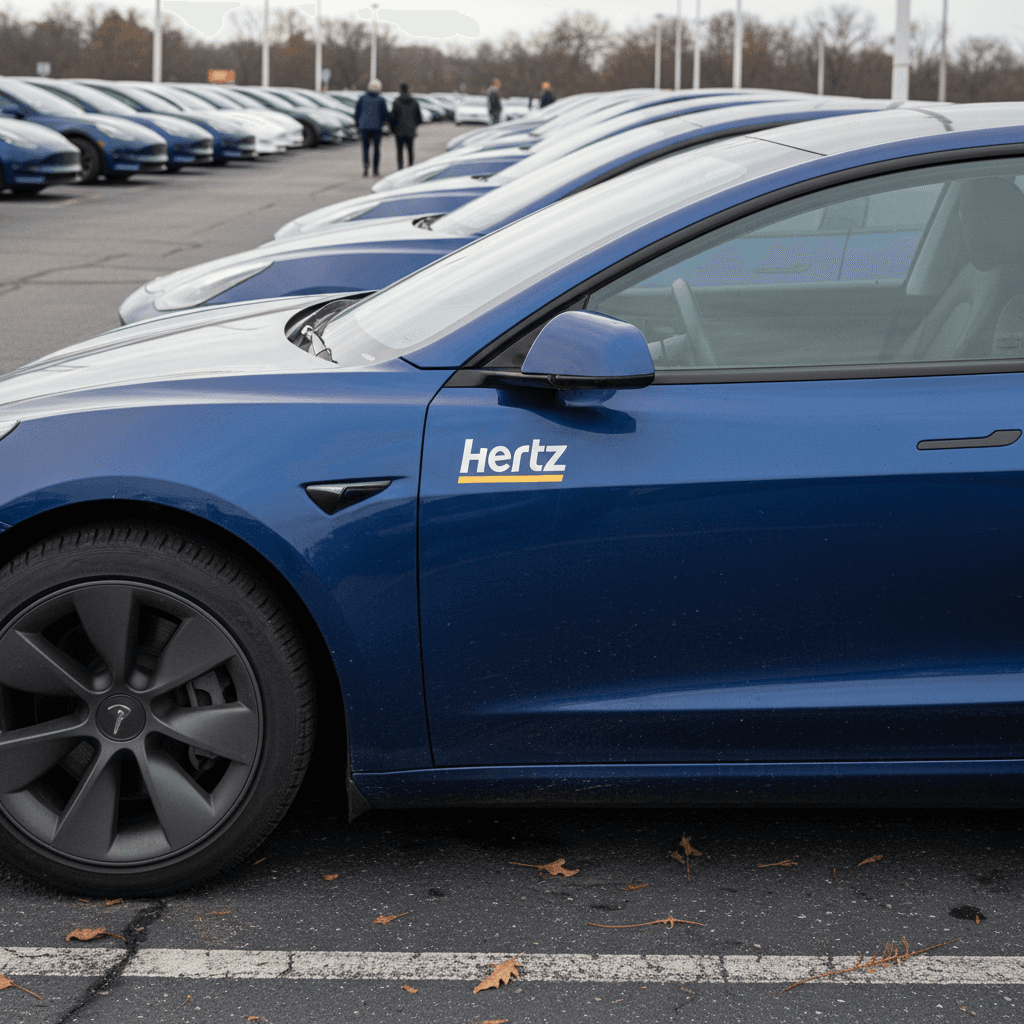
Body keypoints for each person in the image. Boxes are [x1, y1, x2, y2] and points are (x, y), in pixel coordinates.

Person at [354, 78, 388, 177]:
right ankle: (375, 169)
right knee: (376, 149)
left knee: (365, 148)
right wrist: (384, 123)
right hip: (377, 127)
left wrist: (357, 124)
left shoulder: (362, 99)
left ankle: (365, 167)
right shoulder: (381, 100)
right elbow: (384, 115)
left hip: (364, 127)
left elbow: (357, 113)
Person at [390, 83, 422, 169]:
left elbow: (392, 117)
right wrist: (414, 125)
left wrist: (393, 129)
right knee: (410, 150)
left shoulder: (396, 102)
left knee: (400, 151)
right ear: (408, 89)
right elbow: (419, 118)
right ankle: (411, 167)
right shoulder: (414, 102)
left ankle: (400, 168)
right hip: (410, 130)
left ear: (400, 89)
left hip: (399, 131)